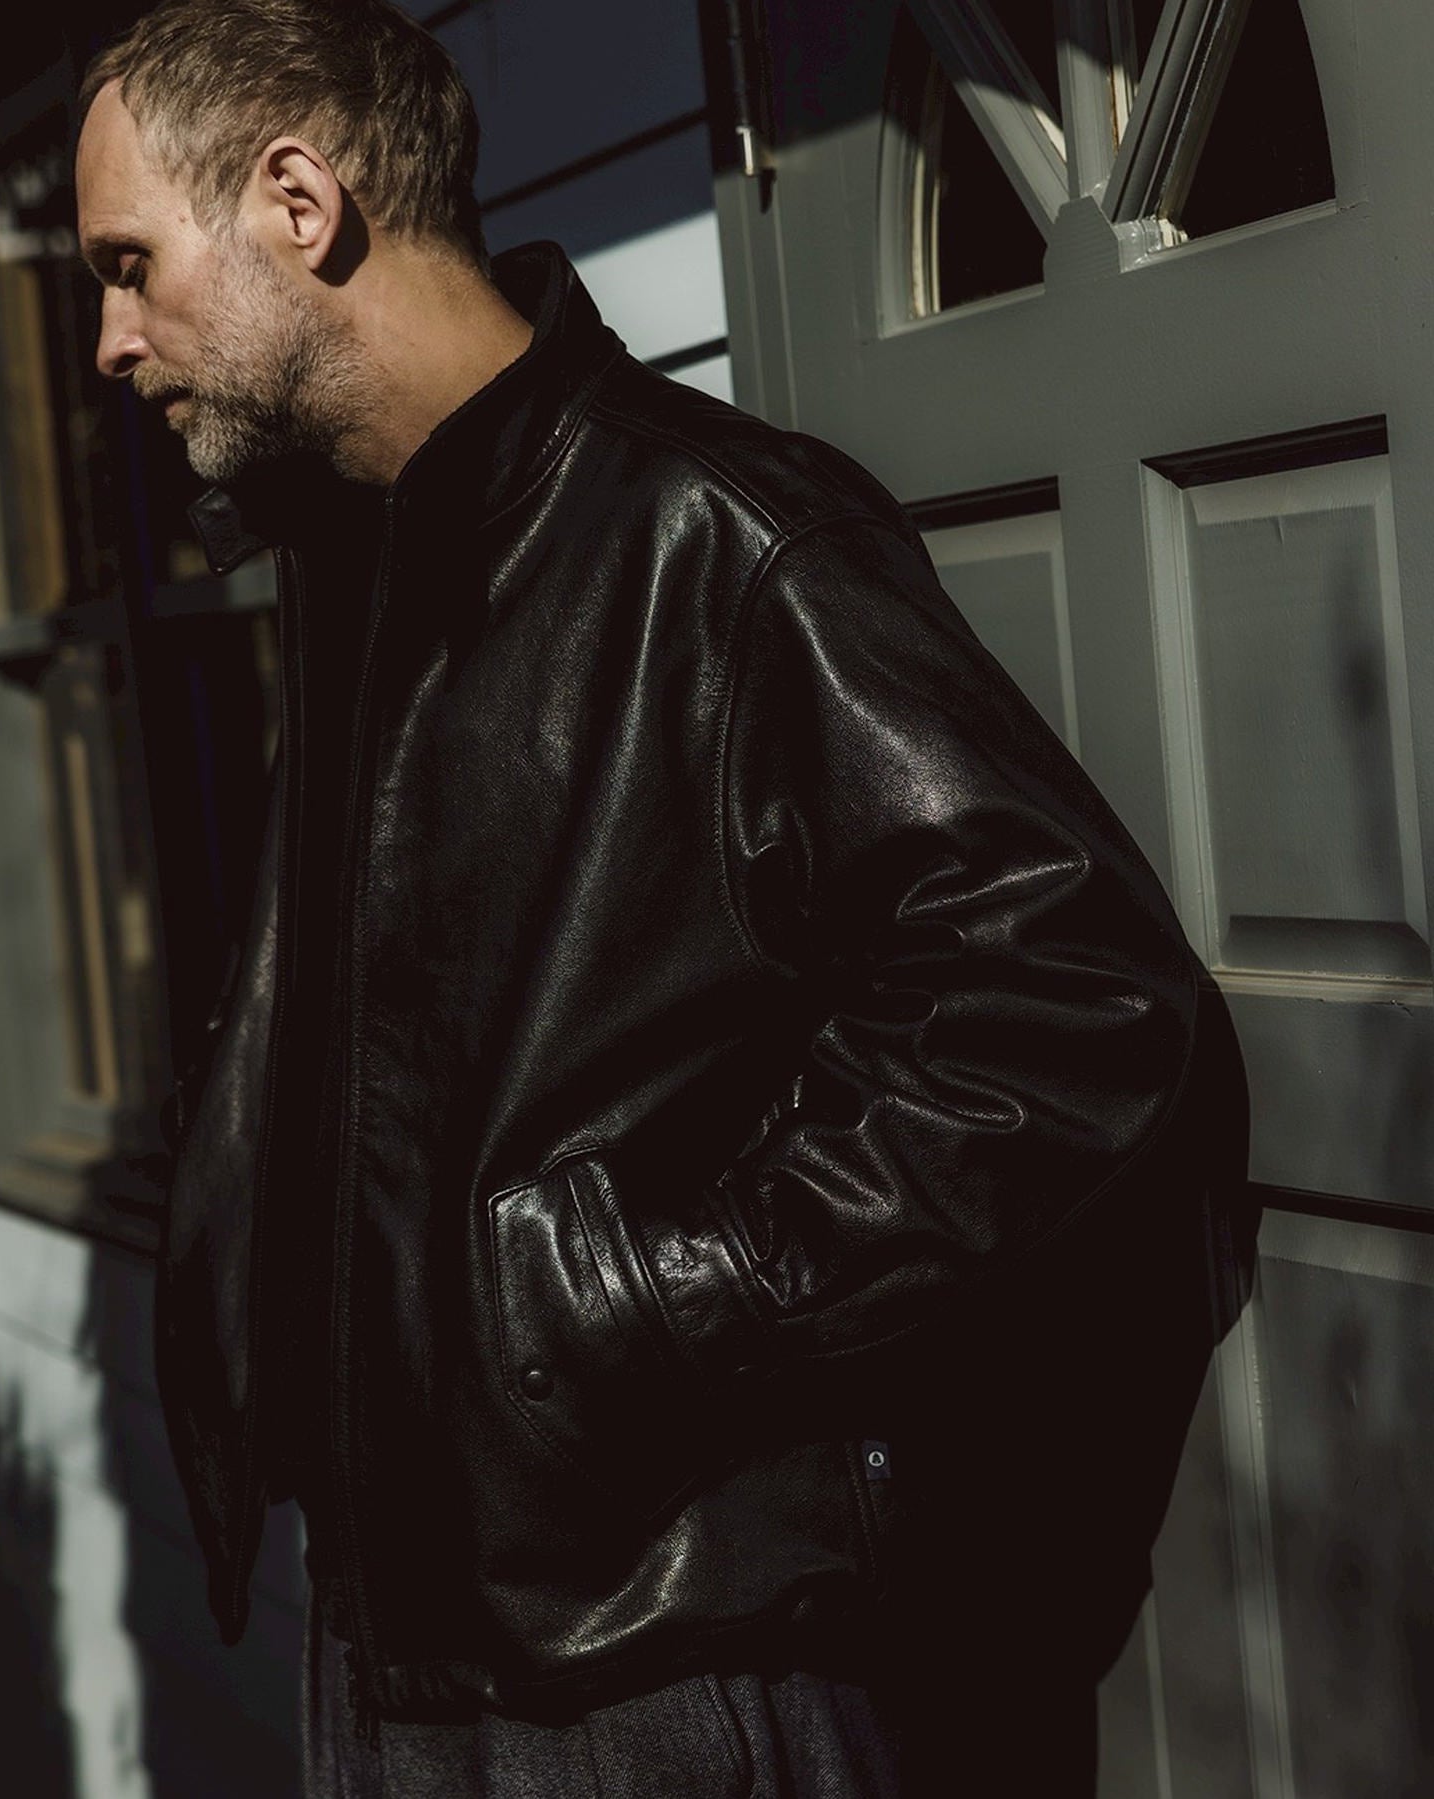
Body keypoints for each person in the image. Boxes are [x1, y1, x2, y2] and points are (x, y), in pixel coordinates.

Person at [74, 2, 1250, 1792]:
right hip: (385, 1627)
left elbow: (1073, 1006)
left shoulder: (721, 544)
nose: (108, 340)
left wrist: (641, 1297)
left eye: (128, 266)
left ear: (299, 205)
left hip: (647, 1665)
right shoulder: (350, 556)